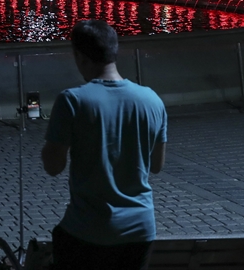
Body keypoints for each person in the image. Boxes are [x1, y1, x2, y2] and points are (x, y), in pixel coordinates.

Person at [42, 20, 167, 269]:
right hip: (140, 230)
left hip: (88, 230)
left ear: (80, 56)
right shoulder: (152, 100)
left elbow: (53, 166)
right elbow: (156, 165)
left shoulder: (72, 100)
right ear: (114, 51)